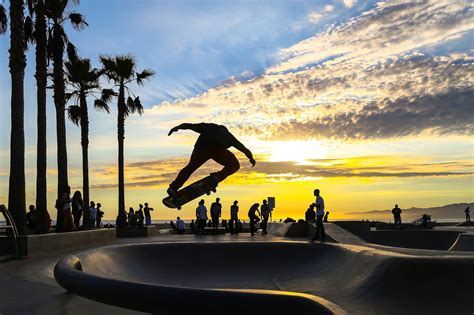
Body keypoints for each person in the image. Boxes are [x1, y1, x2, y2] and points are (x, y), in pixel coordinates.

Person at [166, 123, 256, 196]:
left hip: (202, 149)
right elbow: (244, 149)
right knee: (234, 165)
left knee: (190, 167)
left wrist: (177, 127)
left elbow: (189, 125)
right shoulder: (228, 137)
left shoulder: (209, 127)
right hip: (213, 150)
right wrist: (251, 158)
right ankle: (216, 177)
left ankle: (173, 188)